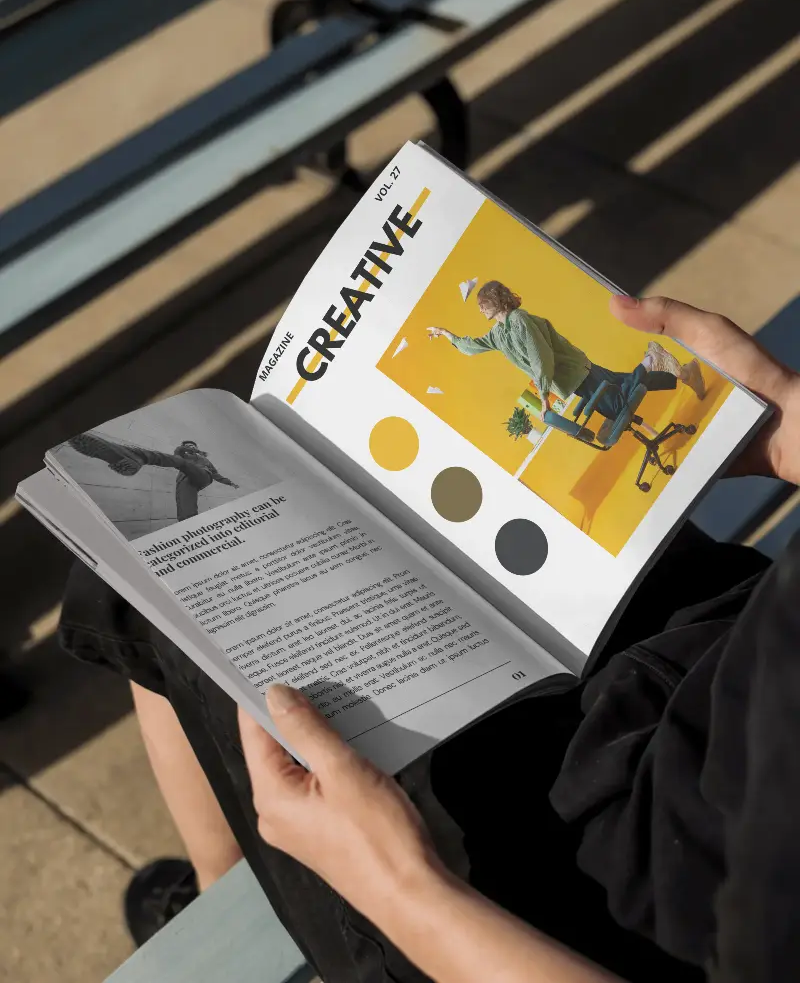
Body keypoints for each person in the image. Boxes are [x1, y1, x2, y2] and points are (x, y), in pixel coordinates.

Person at [58, 296, 800, 981]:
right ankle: (243, 873)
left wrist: (400, 888)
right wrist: (791, 424)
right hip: (723, 646)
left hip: (579, 878)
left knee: (164, 567)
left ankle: (224, 895)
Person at [428, 280, 706, 421]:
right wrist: (447, 335)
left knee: (618, 406)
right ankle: (684, 373)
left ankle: (650, 360)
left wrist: (544, 396)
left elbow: (541, 358)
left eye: (483, 303)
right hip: (572, 376)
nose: (480, 309)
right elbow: (473, 346)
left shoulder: (520, 321)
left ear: (498, 301)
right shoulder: (499, 333)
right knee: (624, 383)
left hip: (575, 374)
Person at [67, 434, 239, 522]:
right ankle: (129, 456)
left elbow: (217, 475)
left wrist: (230, 483)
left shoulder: (204, 460)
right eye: (187, 445)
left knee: (181, 463)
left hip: (202, 476)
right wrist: (187, 448)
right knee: (186, 513)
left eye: (192, 445)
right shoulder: (182, 453)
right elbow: (178, 452)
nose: (189, 447)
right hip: (185, 480)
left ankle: (137, 457)